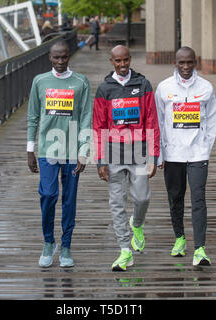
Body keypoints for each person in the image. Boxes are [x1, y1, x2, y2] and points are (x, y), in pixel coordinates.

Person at [93, 45, 160, 271]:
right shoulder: (104, 89)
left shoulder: (143, 85)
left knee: (142, 198)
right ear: (111, 61)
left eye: (126, 60)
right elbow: (99, 125)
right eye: (118, 61)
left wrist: (153, 154)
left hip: (139, 151)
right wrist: (100, 160)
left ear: (130, 59)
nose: (122, 65)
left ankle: (137, 224)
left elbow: (151, 119)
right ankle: (124, 249)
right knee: (117, 203)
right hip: (113, 152)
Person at [27, 40, 92, 268]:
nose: (61, 61)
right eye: (56, 57)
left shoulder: (81, 82)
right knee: (47, 195)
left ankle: (65, 246)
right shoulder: (40, 81)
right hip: (47, 149)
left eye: (64, 57)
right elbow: (33, 116)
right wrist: (30, 149)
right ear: (50, 57)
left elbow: (86, 117)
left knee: (69, 200)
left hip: (72, 150)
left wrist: (84, 151)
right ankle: (48, 242)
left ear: (69, 56)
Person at [155, 46, 216, 266]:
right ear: (175, 63)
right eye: (181, 62)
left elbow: (212, 120)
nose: (185, 67)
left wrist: (205, 147)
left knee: (199, 199)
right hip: (173, 153)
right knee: (176, 198)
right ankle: (180, 239)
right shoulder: (164, 88)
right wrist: (160, 153)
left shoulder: (206, 88)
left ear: (195, 63)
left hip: (198, 152)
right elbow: (159, 122)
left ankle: (200, 248)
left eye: (189, 62)